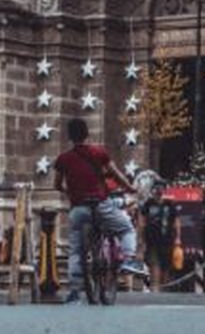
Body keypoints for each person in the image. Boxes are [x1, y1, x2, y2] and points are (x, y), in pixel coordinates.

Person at [53, 118, 146, 302]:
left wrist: (70, 192)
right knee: (126, 228)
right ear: (87, 134)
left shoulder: (63, 159)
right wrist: (130, 188)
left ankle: (74, 292)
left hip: (78, 208)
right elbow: (115, 174)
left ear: (69, 137)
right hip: (100, 204)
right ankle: (128, 259)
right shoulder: (99, 152)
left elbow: (56, 184)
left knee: (75, 250)